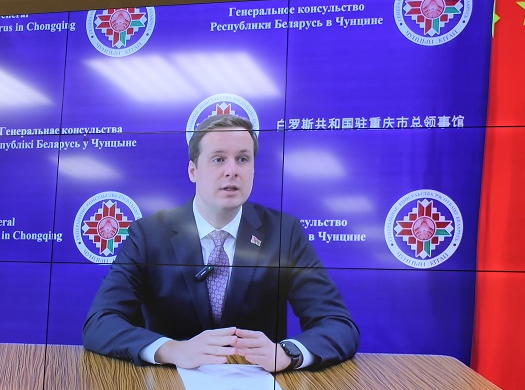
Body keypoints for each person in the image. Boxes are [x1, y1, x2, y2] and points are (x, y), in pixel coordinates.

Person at [82, 114, 359, 372]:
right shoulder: (149, 234)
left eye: (243, 159)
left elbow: (338, 325)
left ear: (253, 169)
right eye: (218, 159)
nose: (232, 171)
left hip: (256, 387)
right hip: (169, 385)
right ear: (193, 170)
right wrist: (173, 349)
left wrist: (287, 353)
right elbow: (100, 322)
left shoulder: (284, 233)